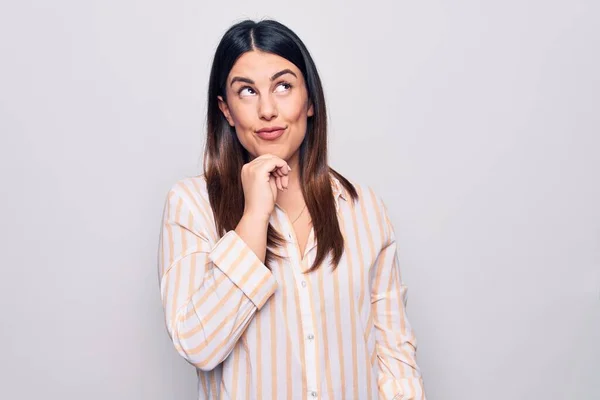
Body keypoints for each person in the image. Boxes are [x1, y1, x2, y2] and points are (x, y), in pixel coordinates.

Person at [157, 19, 426, 399]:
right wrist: (253, 218)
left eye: (283, 86)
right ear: (227, 110)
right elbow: (199, 344)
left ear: (310, 100)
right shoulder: (191, 205)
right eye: (247, 91)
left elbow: (394, 357)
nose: (267, 109)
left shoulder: (363, 208)